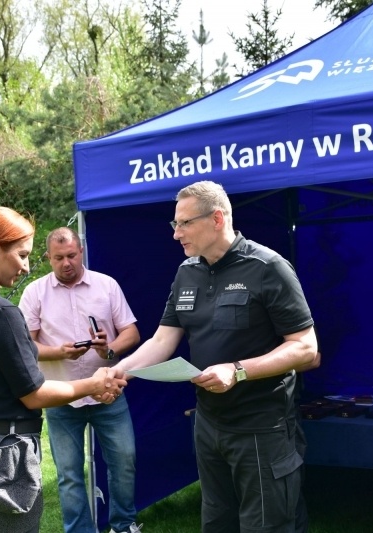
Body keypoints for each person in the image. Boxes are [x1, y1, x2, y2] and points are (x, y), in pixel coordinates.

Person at [112, 180, 320, 532]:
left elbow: (306, 349)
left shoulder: (268, 267)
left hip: (261, 426)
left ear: (217, 219)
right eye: (174, 225)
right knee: (216, 521)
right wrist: (118, 372)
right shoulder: (187, 272)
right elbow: (163, 339)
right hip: (209, 424)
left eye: (184, 224)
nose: (176, 234)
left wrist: (237, 371)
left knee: (268, 524)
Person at [0, 207, 126, 533]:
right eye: (22, 255)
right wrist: (94, 384)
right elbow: (34, 394)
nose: (26, 267)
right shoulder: (0, 312)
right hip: (4, 456)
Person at [18, 227, 142, 533]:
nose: (66, 263)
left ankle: (123, 525)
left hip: (108, 392)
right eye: (58, 258)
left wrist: (108, 347)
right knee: (69, 474)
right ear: (47, 258)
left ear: (81, 251)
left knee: (124, 462)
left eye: (71, 255)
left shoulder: (106, 285)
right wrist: (58, 352)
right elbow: (24, 345)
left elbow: (132, 333)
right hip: (61, 396)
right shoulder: (35, 292)